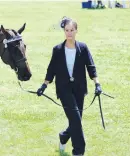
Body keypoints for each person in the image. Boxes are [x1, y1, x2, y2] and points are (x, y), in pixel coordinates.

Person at [36, 17, 102, 156]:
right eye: (67, 30)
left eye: (72, 30)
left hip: (79, 89)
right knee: (76, 121)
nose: (69, 33)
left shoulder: (83, 48)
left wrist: (97, 84)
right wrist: (44, 85)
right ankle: (78, 152)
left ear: (76, 31)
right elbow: (51, 69)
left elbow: (91, 67)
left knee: (75, 120)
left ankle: (64, 136)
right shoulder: (58, 49)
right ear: (64, 31)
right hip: (64, 89)